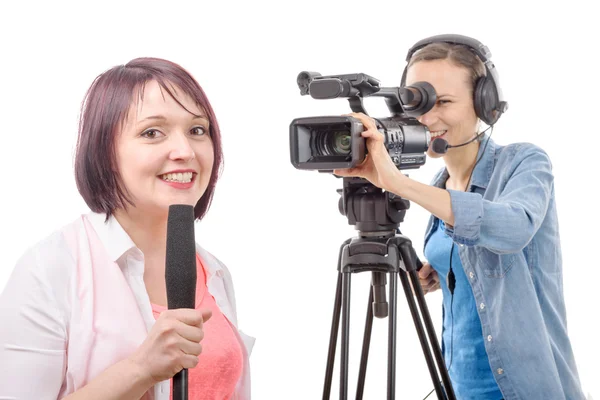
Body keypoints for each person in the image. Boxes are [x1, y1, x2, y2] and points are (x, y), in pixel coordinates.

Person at [333, 35, 585, 400]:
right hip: (458, 385)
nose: (427, 118)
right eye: (417, 101)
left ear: (484, 104)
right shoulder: (441, 185)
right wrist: (436, 273)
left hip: (522, 389)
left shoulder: (525, 162)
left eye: (445, 102)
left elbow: (513, 228)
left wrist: (398, 183)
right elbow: (471, 263)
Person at [0, 57, 254, 400]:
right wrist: (140, 369)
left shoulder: (215, 272)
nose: (185, 151)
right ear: (105, 151)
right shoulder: (50, 269)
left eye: (197, 130)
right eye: (152, 132)